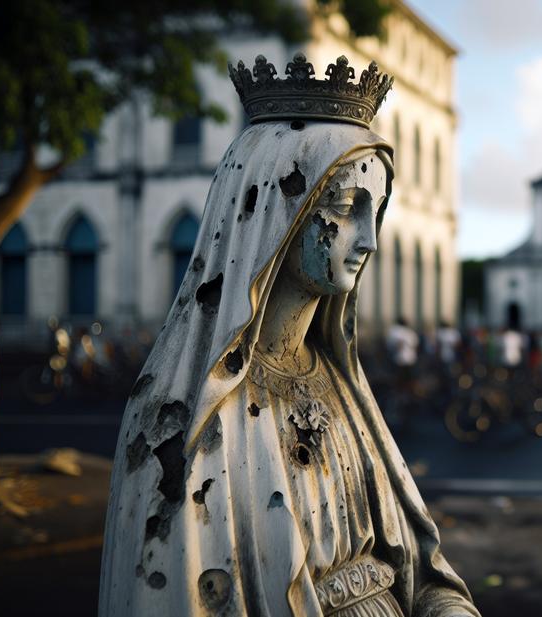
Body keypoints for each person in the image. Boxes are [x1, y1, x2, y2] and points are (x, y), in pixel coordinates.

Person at [100, 54, 477, 616]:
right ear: (276, 210)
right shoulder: (181, 419)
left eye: (375, 213)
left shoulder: (341, 384)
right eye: (346, 207)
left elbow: (421, 574)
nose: (369, 240)